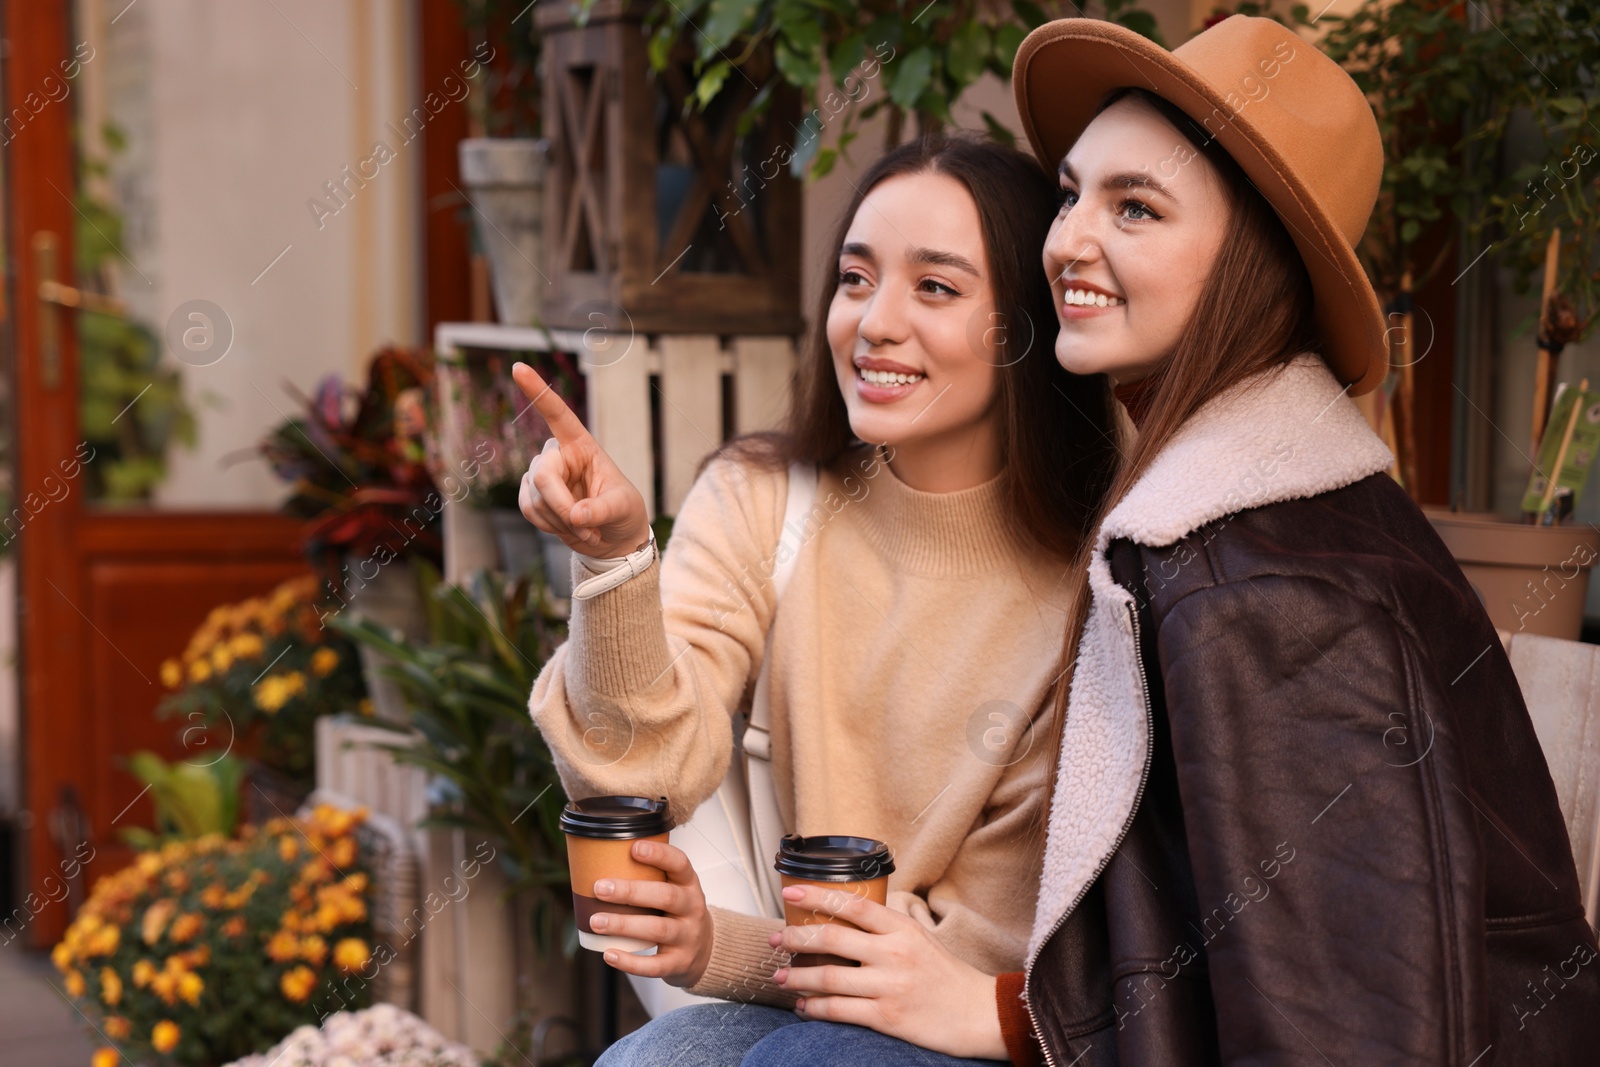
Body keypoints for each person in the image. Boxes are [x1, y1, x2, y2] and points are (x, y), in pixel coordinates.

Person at [968, 14, 1600, 1066]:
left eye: (1136, 207)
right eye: (1073, 191)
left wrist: (1007, 1023)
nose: (1068, 238)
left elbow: (1348, 1036)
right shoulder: (1236, 520)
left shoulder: (1264, 586)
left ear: (1250, 260)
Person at [516, 133, 1119, 1065]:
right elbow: (644, 776)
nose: (874, 322)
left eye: (936, 287)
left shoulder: (1092, 579)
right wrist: (614, 563)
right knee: (648, 1060)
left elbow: (972, 952)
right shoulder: (765, 496)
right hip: (808, 983)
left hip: (970, 1022)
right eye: (855, 278)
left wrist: (732, 945)